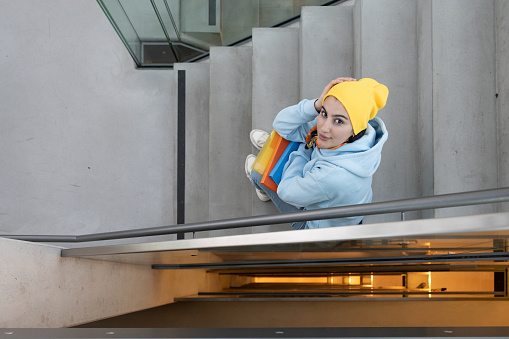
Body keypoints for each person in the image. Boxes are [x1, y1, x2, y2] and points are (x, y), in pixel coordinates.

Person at [245, 77, 389, 229]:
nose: (324, 128)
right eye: (324, 113)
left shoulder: (331, 177)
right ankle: (273, 145)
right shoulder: (362, 135)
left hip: (317, 228)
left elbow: (285, 191)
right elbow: (281, 125)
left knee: (258, 174)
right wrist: (316, 105)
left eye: (339, 121)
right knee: (289, 132)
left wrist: (305, 149)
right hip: (342, 208)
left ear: (355, 129)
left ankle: (264, 191)